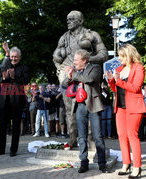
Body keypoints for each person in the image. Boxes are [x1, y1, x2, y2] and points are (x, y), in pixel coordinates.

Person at [53, 10, 108, 147]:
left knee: (89, 105)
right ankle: (73, 138)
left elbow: (104, 54)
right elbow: (55, 56)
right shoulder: (63, 37)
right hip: (69, 76)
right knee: (69, 108)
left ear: (80, 21)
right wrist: (59, 69)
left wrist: (87, 60)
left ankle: (91, 139)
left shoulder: (92, 35)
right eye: (67, 19)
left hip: (86, 73)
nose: (68, 21)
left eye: (72, 19)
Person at [63, 49, 107, 173]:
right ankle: (84, 162)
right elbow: (64, 84)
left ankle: (102, 163)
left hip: (93, 104)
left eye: (76, 60)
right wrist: (69, 75)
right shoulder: (75, 71)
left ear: (84, 60)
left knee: (97, 135)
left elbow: (90, 79)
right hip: (80, 106)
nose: (74, 62)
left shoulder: (96, 68)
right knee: (81, 136)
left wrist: (74, 74)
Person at [106, 44, 146, 178]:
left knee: (132, 136)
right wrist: (111, 81)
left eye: (121, 55)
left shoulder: (139, 68)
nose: (119, 58)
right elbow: (115, 90)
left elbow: (135, 88)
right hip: (120, 107)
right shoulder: (119, 68)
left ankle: (137, 167)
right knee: (122, 136)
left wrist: (118, 81)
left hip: (134, 107)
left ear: (128, 55)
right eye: (118, 55)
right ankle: (126, 164)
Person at [0, 43, 30, 157]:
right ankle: (1, 148)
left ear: (20, 57)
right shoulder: (5, 66)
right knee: (2, 125)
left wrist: (14, 77)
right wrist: (3, 79)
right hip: (4, 100)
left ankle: (13, 149)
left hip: (17, 100)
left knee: (16, 126)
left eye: (16, 57)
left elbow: (26, 80)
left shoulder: (24, 68)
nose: (13, 58)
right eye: (12, 56)